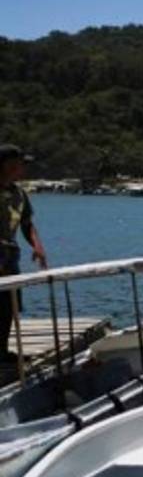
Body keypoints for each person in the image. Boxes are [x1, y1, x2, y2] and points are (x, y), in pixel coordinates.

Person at [0, 145, 48, 364]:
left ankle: (2, 351)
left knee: (10, 305)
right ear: (7, 165)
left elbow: (27, 224)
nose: (23, 169)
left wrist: (37, 247)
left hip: (9, 256)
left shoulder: (19, 193)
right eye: (19, 164)